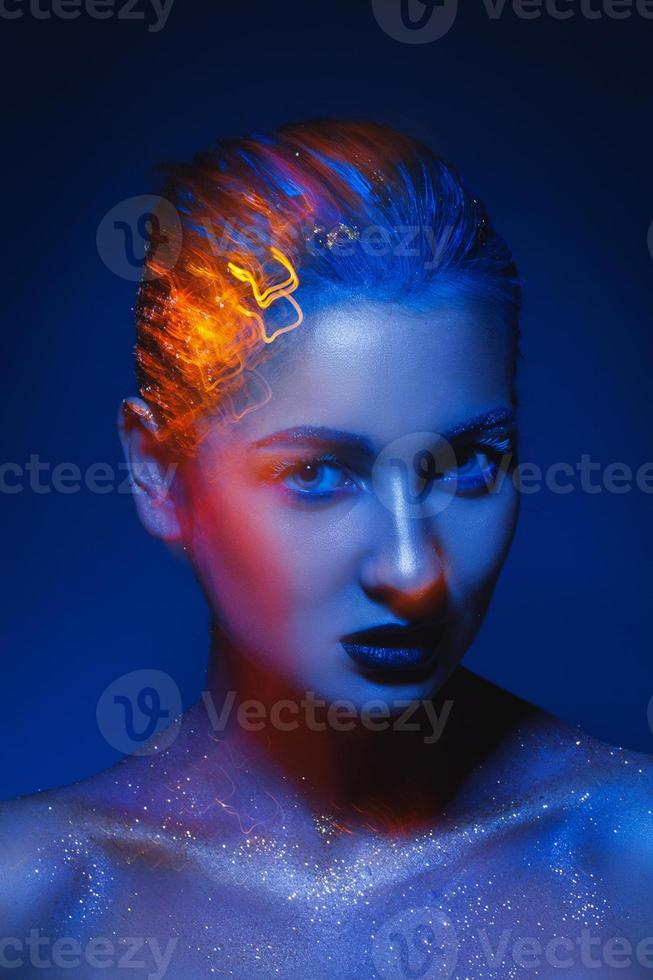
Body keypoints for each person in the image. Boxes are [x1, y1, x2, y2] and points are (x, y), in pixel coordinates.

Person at [1, 120, 652, 979]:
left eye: (465, 466)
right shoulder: (36, 902)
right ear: (159, 475)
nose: (412, 572)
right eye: (317, 475)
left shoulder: (627, 861)